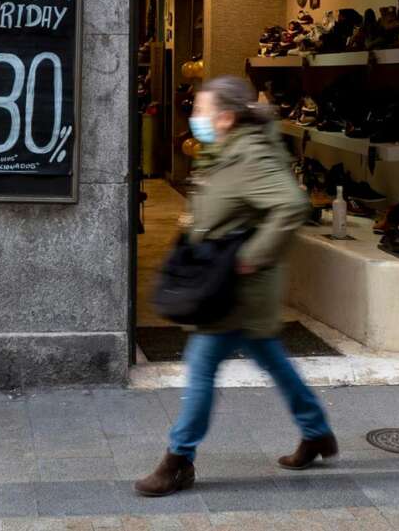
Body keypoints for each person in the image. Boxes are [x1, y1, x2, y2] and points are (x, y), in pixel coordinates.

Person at [135, 75, 336, 497]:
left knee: (201, 368)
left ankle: (178, 460)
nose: (195, 117)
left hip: (237, 290)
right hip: (229, 285)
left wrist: (252, 256)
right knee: (273, 361)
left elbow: (291, 205)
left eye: (201, 110)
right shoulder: (224, 151)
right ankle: (316, 432)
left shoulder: (251, 156)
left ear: (225, 117)